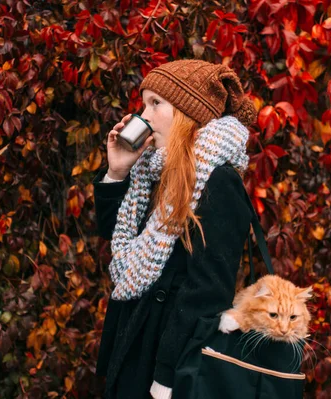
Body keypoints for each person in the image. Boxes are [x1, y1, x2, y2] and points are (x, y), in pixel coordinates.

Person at [93, 59, 258, 399]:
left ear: (187, 113)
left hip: (163, 363)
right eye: (144, 103)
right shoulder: (150, 170)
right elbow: (116, 239)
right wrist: (117, 172)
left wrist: (167, 377)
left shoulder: (219, 181)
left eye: (156, 103)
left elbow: (207, 293)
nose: (144, 116)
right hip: (131, 341)